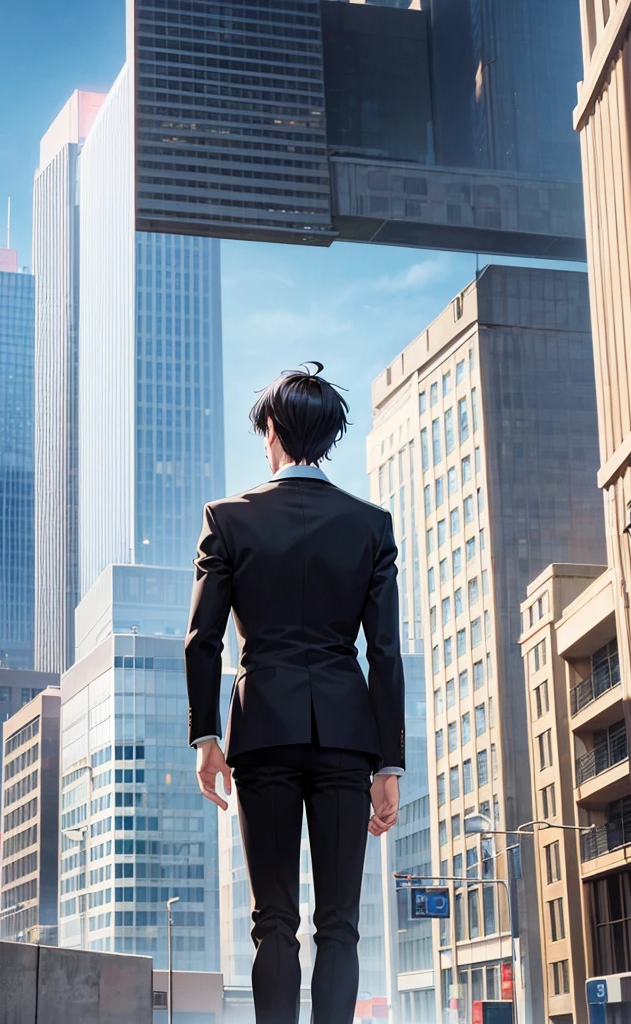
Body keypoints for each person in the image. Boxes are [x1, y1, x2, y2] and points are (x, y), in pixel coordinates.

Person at [184, 362, 405, 1024]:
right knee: (339, 922)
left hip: (264, 735)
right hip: (345, 738)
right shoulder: (371, 524)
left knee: (272, 919)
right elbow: (385, 652)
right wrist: (389, 764)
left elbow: (203, 639)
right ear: (330, 436)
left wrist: (206, 738)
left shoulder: (227, 519)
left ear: (272, 430)